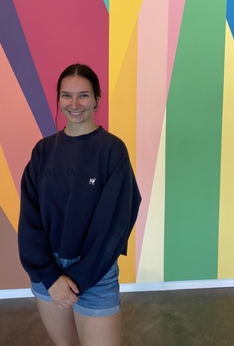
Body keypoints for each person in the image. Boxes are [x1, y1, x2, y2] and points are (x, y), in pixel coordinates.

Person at [18, 63, 141, 346]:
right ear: (58, 99)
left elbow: (115, 225)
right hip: (47, 271)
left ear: (98, 99)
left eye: (83, 95)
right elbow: (30, 220)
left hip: (95, 271)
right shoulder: (43, 150)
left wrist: (77, 279)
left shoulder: (112, 151)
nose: (74, 104)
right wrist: (50, 277)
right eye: (66, 95)